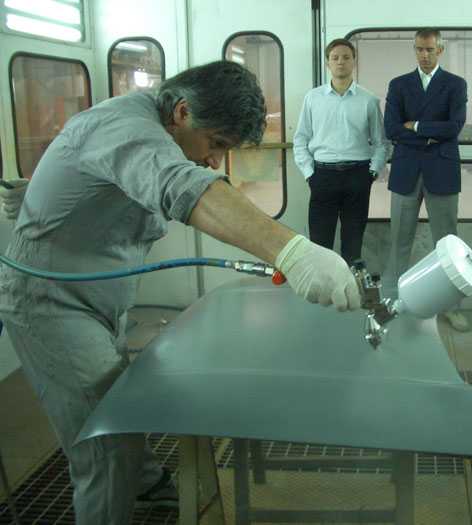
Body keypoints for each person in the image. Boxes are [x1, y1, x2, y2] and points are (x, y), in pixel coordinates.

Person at [0, 60, 360, 525]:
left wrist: (44, 190)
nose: (214, 161)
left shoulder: (153, 131)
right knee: (105, 443)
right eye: (216, 144)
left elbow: (109, 176)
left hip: (99, 299)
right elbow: (182, 186)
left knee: (117, 401)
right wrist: (292, 252)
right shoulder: (126, 126)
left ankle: (147, 485)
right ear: (183, 112)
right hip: (51, 302)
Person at [383, 28, 469, 332]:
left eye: (430, 49)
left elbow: (454, 127)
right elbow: (392, 128)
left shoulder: (455, 84)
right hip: (406, 171)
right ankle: (392, 302)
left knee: (447, 243)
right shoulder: (399, 85)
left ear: (440, 50)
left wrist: (416, 126)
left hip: (442, 171)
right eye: (419, 49)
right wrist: (432, 134)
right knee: (399, 241)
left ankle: (451, 308)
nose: (424, 54)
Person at [293, 38, 388, 264]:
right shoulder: (313, 98)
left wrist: (372, 172)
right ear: (327, 63)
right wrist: (309, 174)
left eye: (346, 57)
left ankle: (350, 285)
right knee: (319, 244)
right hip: (322, 176)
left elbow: (382, 143)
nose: (340, 62)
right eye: (335, 58)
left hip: (358, 177)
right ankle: (322, 286)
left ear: (354, 61)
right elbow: (300, 139)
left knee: (353, 244)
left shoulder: (368, 100)